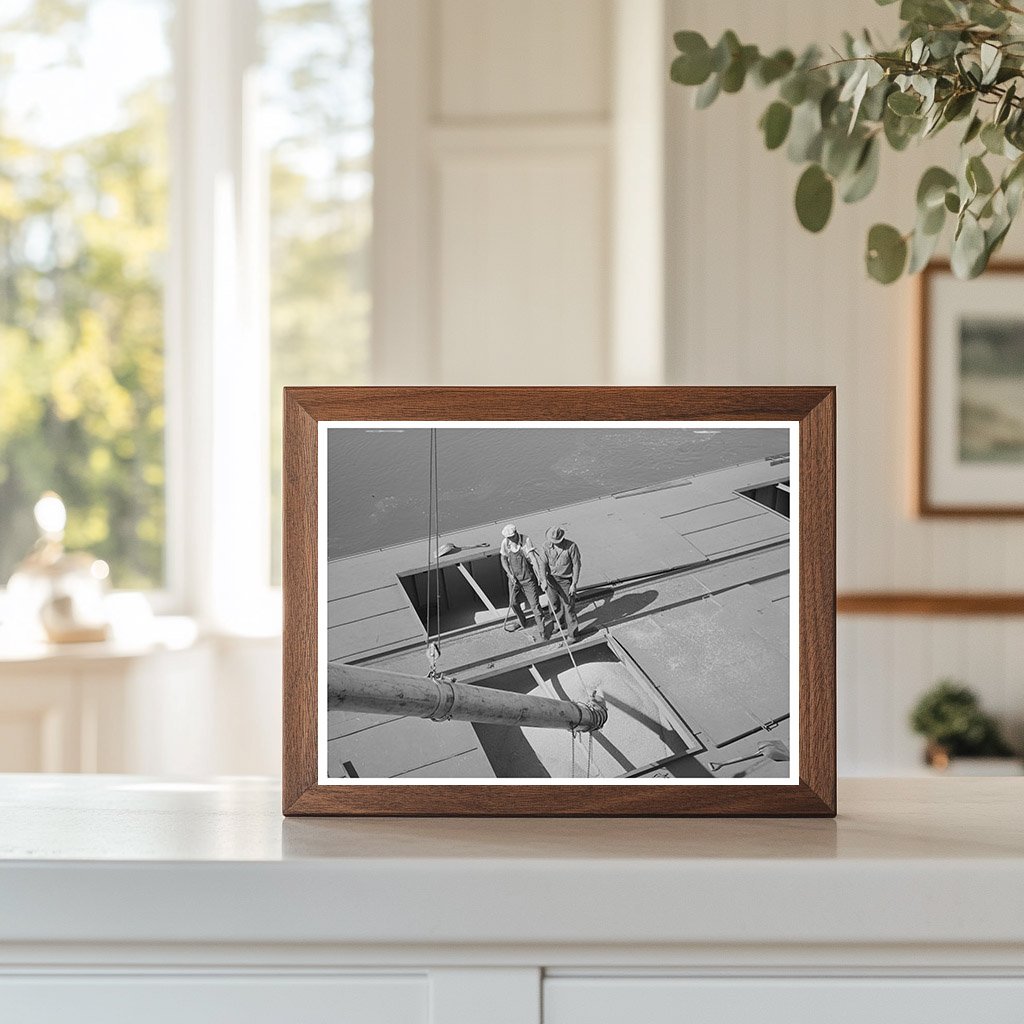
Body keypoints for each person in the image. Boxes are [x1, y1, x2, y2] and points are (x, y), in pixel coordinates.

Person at [499, 523, 548, 641]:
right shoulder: (505, 543)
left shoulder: (525, 540)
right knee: (513, 602)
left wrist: (540, 578)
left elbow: (533, 559)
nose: (510, 539)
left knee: (534, 605)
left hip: (527, 579)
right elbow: (503, 558)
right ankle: (522, 621)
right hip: (514, 580)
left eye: (512, 536)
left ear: (516, 533)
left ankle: (542, 631)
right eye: (508, 537)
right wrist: (510, 574)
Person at [540, 525, 582, 641]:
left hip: (565, 581)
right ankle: (559, 623)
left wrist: (574, 584)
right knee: (554, 604)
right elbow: (543, 563)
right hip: (551, 579)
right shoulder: (545, 546)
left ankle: (573, 635)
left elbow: (576, 565)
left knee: (569, 607)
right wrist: (543, 580)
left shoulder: (571, 546)